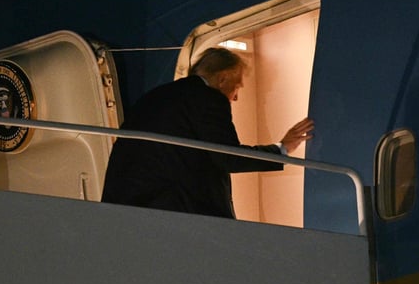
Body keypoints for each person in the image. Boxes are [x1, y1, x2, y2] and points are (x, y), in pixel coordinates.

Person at [101, 47, 314, 219]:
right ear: (222, 79)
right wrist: (282, 149)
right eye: (237, 86)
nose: (236, 97)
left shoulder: (155, 96)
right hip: (175, 210)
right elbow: (228, 157)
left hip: (126, 206)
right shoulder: (208, 98)